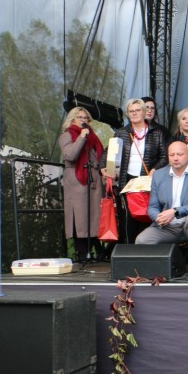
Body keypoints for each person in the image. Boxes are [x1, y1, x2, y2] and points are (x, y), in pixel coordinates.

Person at [135, 141, 188, 274]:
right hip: (167, 226)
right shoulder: (159, 175)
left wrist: (175, 211)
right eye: (172, 155)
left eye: (179, 154)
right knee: (142, 240)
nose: (175, 158)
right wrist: (159, 218)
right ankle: (163, 265)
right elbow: (153, 206)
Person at [102, 98, 169, 243]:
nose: (134, 113)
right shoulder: (121, 133)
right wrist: (104, 168)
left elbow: (165, 157)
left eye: (138, 110)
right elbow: (107, 153)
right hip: (126, 180)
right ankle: (128, 249)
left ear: (144, 112)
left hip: (148, 180)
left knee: (148, 214)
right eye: (131, 111)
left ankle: (147, 248)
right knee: (128, 217)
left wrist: (154, 170)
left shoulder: (156, 133)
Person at [59, 107, 104, 263]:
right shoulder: (66, 135)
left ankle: (97, 251)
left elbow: (100, 155)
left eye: (86, 118)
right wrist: (81, 138)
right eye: (80, 117)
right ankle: (82, 253)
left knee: (93, 216)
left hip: (93, 179)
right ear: (72, 120)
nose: (84, 120)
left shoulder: (93, 137)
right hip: (76, 180)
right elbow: (70, 154)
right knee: (78, 216)